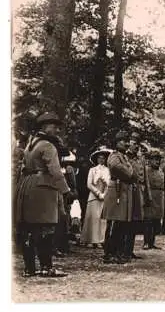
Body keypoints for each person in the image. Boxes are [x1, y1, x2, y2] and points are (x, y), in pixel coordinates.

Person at [14, 111, 69, 277]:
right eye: (54, 126)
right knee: (46, 227)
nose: (57, 130)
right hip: (43, 188)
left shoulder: (32, 143)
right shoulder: (48, 146)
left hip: (27, 186)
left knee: (28, 228)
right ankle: (47, 267)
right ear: (45, 127)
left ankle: (29, 268)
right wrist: (66, 190)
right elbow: (55, 171)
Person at [101, 131, 136, 264]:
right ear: (116, 143)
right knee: (114, 222)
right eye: (122, 140)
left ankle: (117, 252)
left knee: (121, 224)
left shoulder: (124, 157)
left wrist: (128, 170)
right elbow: (118, 168)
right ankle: (109, 253)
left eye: (127, 140)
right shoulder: (114, 155)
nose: (126, 143)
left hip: (123, 190)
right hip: (116, 190)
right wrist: (129, 170)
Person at [124, 132, 151, 260]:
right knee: (125, 220)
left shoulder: (141, 159)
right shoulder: (124, 157)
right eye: (133, 143)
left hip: (138, 191)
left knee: (135, 221)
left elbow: (145, 178)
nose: (135, 146)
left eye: (137, 143)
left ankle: (129, 250)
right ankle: (122, 249)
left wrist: (148, 195)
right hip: (127, 190)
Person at [80, 147, 111, 248]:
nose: (101, 160)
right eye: (99, 158)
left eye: (103, 158)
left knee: (102, 219)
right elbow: (89, 184)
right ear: (96, 159)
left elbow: (109, 184)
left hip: (104, 196)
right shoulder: (92, 170)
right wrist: (98, 193)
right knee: (93, 218)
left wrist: (104, 194)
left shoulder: (108, 171)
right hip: (94, 196)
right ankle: (91, 240)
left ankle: (101, 240)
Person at [143, 150, 165, 249]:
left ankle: (152, 242)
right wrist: (147, 197)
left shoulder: (162, 171)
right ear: (150, 160)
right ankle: (146, 242)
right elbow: (146, 184)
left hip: (160, 197)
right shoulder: (146, 170)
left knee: (156, 221)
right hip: (150, 196)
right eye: (155, 159)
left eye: (158, 160)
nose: (157, 162)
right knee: (148, 220)